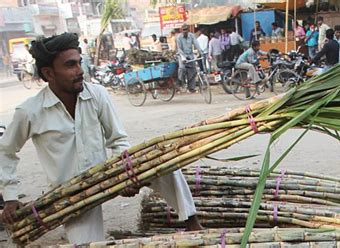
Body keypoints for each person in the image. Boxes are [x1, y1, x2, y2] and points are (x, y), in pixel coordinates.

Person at [0, 33, 203, 245]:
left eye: (79, 62)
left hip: (107, 173)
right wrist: (11, 196)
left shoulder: (97, 94)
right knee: (87, 244)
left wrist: (125, 175)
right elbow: (5, 150)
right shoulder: (30, 111)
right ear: (49, 73)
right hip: (72, 193)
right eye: (70, 65)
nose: (80, 71)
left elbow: (117, 139)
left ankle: (191, 222)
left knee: (163, 161)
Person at [176, 24, 204, 93]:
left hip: (190, 55)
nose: (185, 31)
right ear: (181, 30)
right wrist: (183, 58)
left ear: (188, 30)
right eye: (183, 30)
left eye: (186, 30)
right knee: (182, 68)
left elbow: (196, 43)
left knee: (193, 70)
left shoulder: (192, 36)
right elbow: (179, 49)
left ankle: (191, 87)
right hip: (181, 55)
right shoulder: (179, 37)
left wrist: (200, 51)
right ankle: (180, 82)